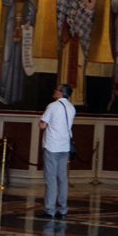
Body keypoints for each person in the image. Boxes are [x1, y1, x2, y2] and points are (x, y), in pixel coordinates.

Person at [55, 0, 97, 106]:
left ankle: (77, 97)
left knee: (79, 60)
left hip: (83, 23)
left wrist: (88, 3)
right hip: (68, 21)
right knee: (66, 59)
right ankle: (63, 95)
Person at [39, 84, 75, 220]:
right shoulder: (71, 107)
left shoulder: (52, 106)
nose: (54, 91)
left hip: (52, 146)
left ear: (60, 93)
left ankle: (50, 209)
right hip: (64, 146)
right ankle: (63, 208)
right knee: (63, 179)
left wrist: (41, 123)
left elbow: (43, 124)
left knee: (51, 178)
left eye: (56, 89)